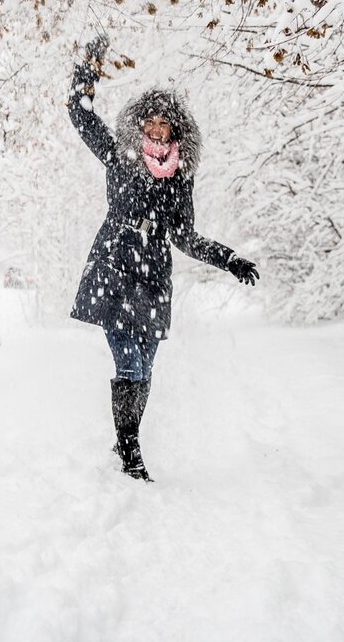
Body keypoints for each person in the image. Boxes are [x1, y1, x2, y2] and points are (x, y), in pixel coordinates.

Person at [67, 36, 259, 482]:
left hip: (153, 278)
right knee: (128, 366)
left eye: (164, 126)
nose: (156, 131)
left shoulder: (179, 177)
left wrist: (229, 260)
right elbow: (79, 114)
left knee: (146, 370)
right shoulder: (119, 154)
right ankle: (131, 455)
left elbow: (185, 237)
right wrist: (88, 70)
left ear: (176, 133)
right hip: (114, 268)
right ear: (139, 125)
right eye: (150, 123)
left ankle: (124, 434)